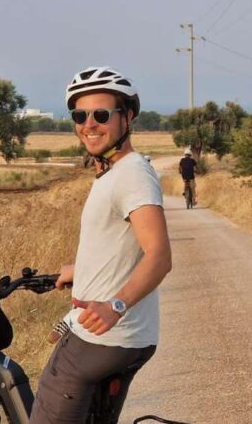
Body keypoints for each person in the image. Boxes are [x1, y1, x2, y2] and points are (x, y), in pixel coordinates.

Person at [30, 66, 173, 423]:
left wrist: (115, 306)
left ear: (128, 116)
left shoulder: (131, 174)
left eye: (101, 115)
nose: (89, 124)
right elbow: (124, 246)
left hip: (104, 336)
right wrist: (80, 270)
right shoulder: (114, 173)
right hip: (122, 337)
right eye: (80, 116)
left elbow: (159, 256)